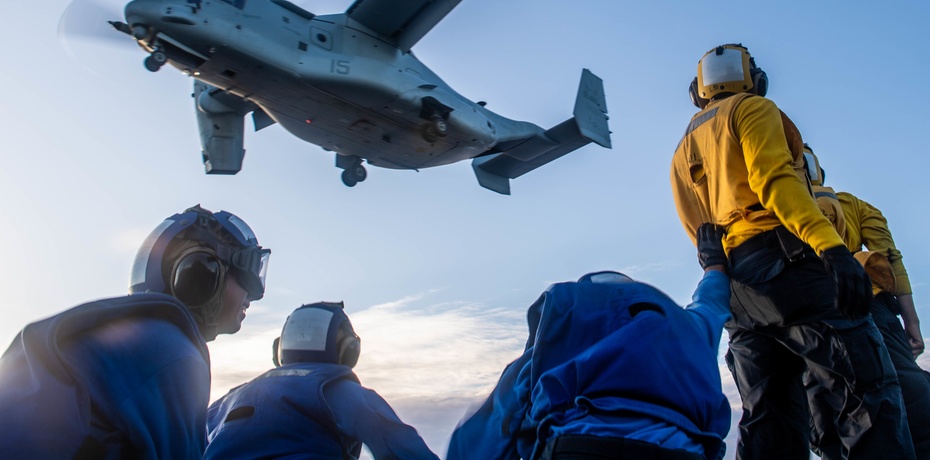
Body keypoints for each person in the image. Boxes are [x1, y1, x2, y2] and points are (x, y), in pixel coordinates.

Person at [669, 43, 914, 459]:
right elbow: (775, 182)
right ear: (755, 80)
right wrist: (830, 248)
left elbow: (698, 227)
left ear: (698, 90)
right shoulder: (753, 109)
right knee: (867, 394)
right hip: (792, 268)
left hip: (735, 288)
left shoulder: (682, 147)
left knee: (768, 416)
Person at [0, 204, 270, 459]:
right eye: (244, 273)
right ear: (200, 274)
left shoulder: (123, 333)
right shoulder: (173, 351)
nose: (253, 295)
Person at [446, 244, 732, 460]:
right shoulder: (682, 330)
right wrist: (714, 266)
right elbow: (710, 305)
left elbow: (492, 427)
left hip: (578, 448)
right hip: (681, 452)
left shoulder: (559, 336)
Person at [800, 145, 930, 460]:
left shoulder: (765, 210)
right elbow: (891, 260)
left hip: (802, 318)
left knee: (826, 412)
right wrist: (912, 324)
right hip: (867, 308)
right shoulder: (850, 205)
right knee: (912, 402)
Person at [205, 301, 440, 460]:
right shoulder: (339, 392)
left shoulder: (229, 399)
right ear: (349, 350)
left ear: (280, 350)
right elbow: (405, 449)